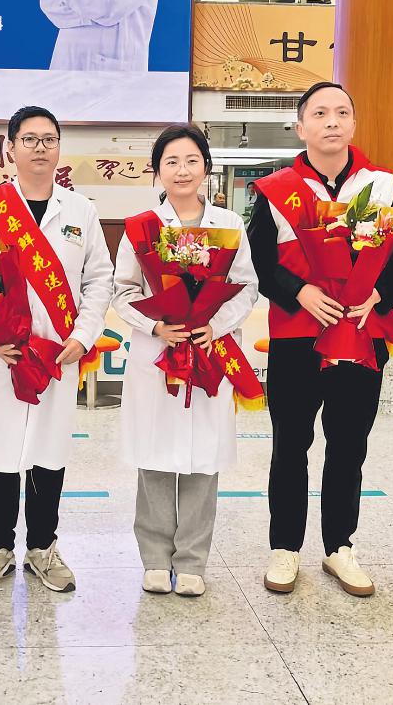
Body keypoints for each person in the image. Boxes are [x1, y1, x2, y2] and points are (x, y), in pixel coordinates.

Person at [246, 81, 393, 598]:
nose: (332, 122)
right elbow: (260, 262)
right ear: (300, 127)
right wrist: (300, 292)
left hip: (361, 335)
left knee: (348, 444)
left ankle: (340, 546)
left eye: (342, 112)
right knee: (290, 444)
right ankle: (284, 547)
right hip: (297, 336)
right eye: (320, 113)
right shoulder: (275, 190)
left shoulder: (383, 186)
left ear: (354, 124)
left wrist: (378, 297)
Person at [0, 105, 114, 594]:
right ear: (11, 148)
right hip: (0, 355)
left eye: (49, 139)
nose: (40, 147)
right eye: (29, 139)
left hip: (57, 354)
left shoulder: (81, 210)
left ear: (59, 147)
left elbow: (99, 279)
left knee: (49, 448)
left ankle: (43, 546)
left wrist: (82, 335)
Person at [113, 124, 259, 597]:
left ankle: (193, 560)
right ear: (157, 170)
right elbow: (123, 292)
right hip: (158, 353)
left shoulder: (229, 225)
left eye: (192, 160)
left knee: (203, 457)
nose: (182, 170)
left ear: (207, 168)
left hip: (208, 352)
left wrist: (215, 324)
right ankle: (155, 559)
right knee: (154, 456)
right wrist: (156, 326)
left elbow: (246, 287)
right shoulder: (141, 227)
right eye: (171, 161)